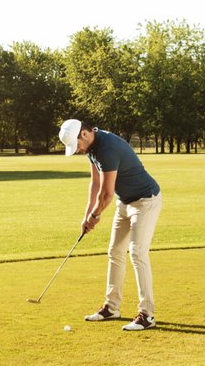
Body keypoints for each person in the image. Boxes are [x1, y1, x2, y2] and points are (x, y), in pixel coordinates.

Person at [58, 118, 162, 331]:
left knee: (137, 253)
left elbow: (106, 195)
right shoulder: (91, 148)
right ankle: (112, 307)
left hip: (145, 201)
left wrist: (95, 216)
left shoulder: (107, 148)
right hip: (125, 201)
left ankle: (147, 314)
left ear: (84, 134)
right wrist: (86, 215)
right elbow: (95, 184)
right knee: (115, 252)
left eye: (76, 144)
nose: (77, 150)